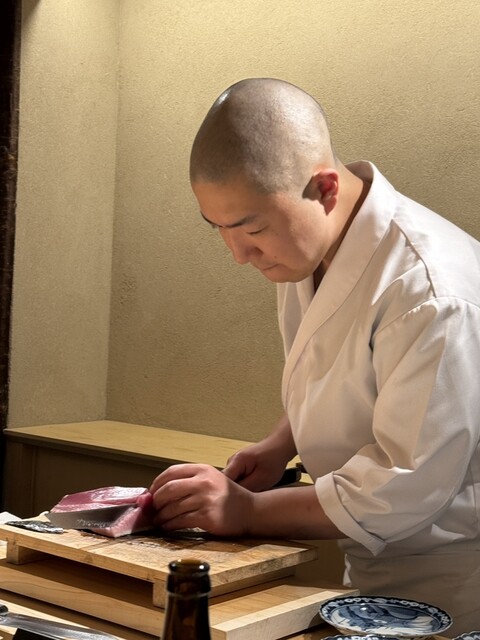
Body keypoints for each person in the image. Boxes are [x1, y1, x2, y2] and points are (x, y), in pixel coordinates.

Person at [144, 78, 480, 633]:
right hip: (370, 565)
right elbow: (342, 370)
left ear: (324, 188)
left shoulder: (430, 291)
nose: (238, 254)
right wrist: (282, 443)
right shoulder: (308, 247)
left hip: (453, 579)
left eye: (252, 229)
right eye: (219, 229)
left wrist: (245, 511)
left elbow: (404, 484)